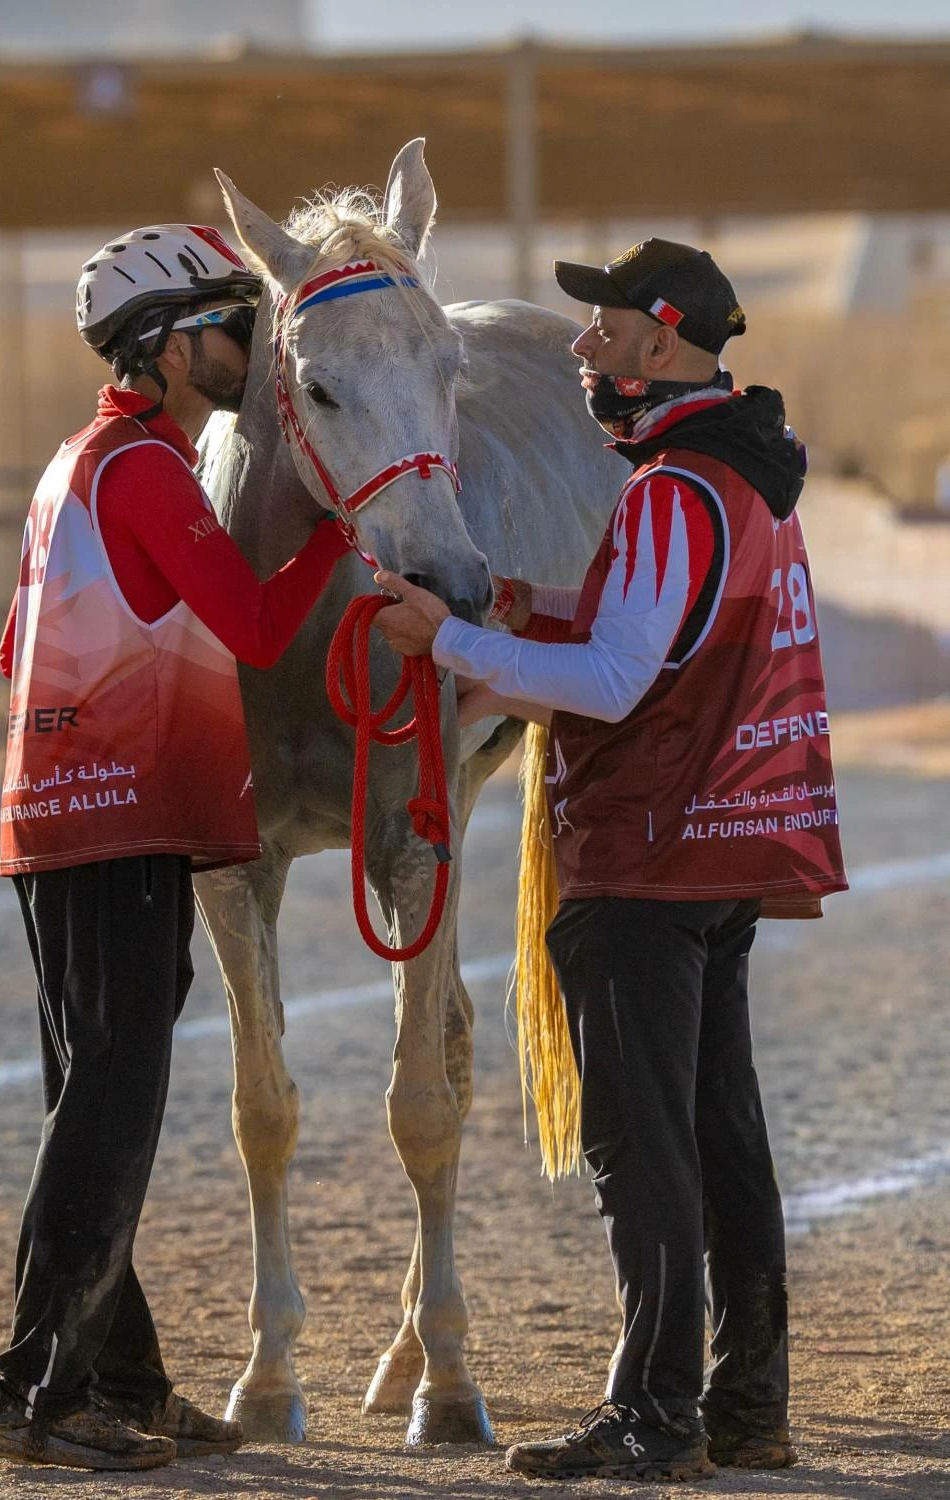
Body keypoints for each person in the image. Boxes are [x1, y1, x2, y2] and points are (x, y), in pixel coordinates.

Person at [373, 238, 847, 1484]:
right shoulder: (745, 477)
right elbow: (665, 640)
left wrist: (451, 648)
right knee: (720, 1137)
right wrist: (516, 608)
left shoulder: (669, 489)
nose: (576, 346)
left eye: (599, 328)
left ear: (659, 338)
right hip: (719, 848)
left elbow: (617, 679)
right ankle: (746, 1410)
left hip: (643, 855)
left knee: (643, 1151)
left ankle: (654, 1416)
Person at [0, 224, 351, 1471]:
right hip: (116, 826)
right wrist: (341, 532)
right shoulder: (143, 470)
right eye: (234, 325)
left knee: (94, 1102)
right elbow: (253, 619)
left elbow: (19, 650)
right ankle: (32, 1395)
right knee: (111, 1113)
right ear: (173, 347)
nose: (248, 346)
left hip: (59, 827)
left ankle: (121, 1382)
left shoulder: (76, 464)